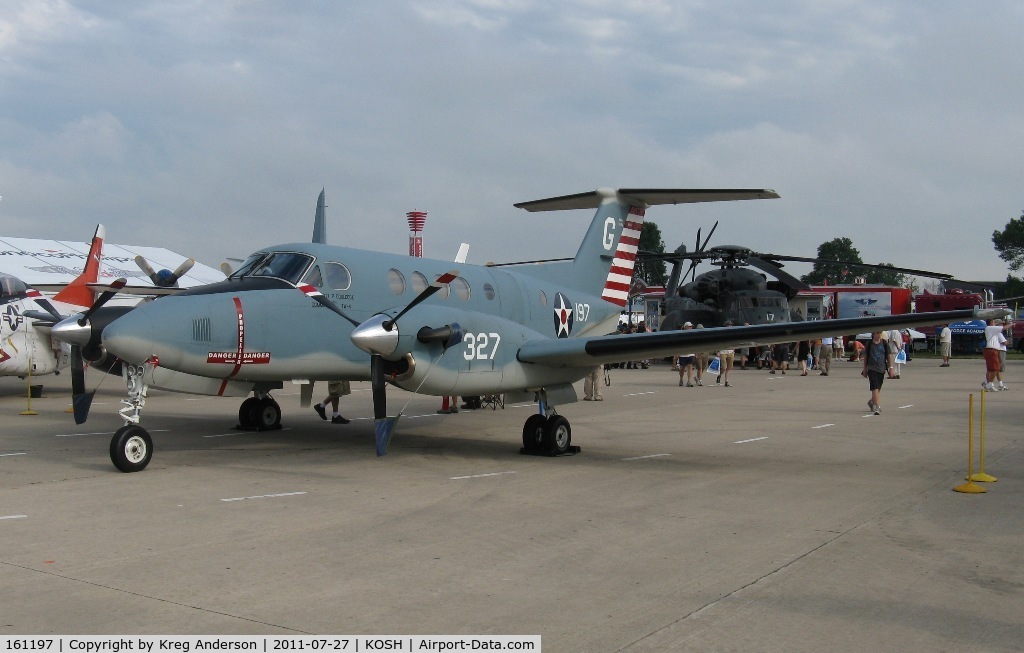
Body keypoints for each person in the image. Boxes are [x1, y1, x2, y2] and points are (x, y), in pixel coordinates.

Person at [862, 331, 892, 415]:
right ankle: (877, 407)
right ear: (873, 334)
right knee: (874, 387)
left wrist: (891, 368)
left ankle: (872, 402)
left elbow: (889, 355)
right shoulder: (869, 344)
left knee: (878, 389)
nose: (879, 335)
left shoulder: (884, 343)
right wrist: (865, 369)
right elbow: (865, 357)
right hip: (872, 369)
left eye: (880, 333)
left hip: (882, 369)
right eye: (877, 333)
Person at [982, 318, 1006, 392]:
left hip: (992, 350)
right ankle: (989, 384)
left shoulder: (992, 331)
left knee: (991, 369)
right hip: (994, 350)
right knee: (996, 368)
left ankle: (990, 383)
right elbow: (1004, 342)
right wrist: (1010, 324)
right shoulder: (993, 330)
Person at [717, 320, 735, 387]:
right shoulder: (722, 333)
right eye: (728, 325)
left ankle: (726, 381)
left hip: (730, 351)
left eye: (730, 325)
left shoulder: (733, 333)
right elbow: (719, 342)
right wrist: (718, 351)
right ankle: (719, 375)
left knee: (729, 367)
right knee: (724, 367)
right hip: (723, 351)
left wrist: (734, 348)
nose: (729, 326)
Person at [677, 322, 696, 387]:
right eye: (689, 326)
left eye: (691, 327)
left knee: (690, 366)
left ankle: (689, 381)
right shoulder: (681, 335)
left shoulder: (693, 335)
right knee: (682, 368)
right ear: (685, 327)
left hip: (691, 354)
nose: (690, 328)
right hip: (683, 354)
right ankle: (681, 379)